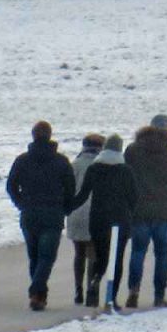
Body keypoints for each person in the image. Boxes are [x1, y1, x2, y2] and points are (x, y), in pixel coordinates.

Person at [4, 120, 76, 312]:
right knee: (47, 257)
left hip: (29, 213)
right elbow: (70, 188)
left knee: (34, 256)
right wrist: (65, 208)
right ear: (50, 136)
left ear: (33, 136)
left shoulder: (22, 160)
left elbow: (11, 186)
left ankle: (38, 295)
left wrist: (21, 203)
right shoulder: (61, 161)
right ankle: (37, 292)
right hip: (52, 213)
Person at [64, 131, 136, 312]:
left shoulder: (94, 169)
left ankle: (95, 279)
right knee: (116, 260)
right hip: (119, 221)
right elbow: (133, 198)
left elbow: (83, 195)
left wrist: (67, 208)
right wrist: (131, 214)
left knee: (101, 257)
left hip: (98, 220)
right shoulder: (126, 171)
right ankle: (111, 299)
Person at [123, 112, 167, 310]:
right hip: (163, 213)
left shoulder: (132, 151)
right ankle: (159, 296)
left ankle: (133, 291)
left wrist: (131, 202)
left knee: (137, 252)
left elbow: (125, 178)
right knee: (162, 254)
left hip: (139, 211)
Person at [63, 131, 106, 306]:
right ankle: (91, 291)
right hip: (95, 214)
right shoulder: (102, 166)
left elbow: (67, 189)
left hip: (75, 213)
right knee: (93, 254)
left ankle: (78, 290)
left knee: (79, 253)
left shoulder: (74, 165)